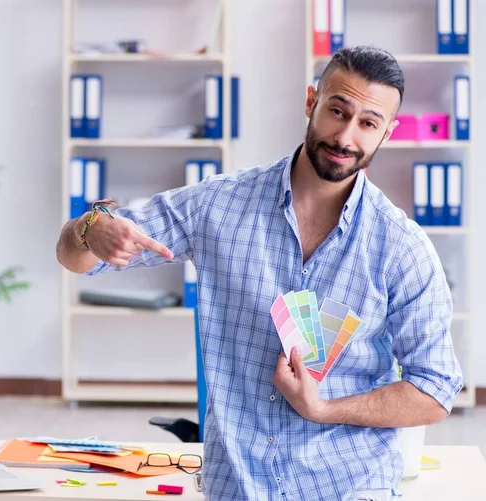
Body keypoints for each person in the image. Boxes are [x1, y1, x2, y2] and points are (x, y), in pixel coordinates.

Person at [56, 45, 463, 501]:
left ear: (387, 133)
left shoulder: (402, 248)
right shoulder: (217, 205)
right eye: (337, 110)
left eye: (368, 123)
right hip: (237, 487)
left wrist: (323, 409)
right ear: (311, 102)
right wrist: (89, 228)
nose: (346, 136)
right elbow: (75, 260)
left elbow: (435, 389)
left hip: (349, 485)